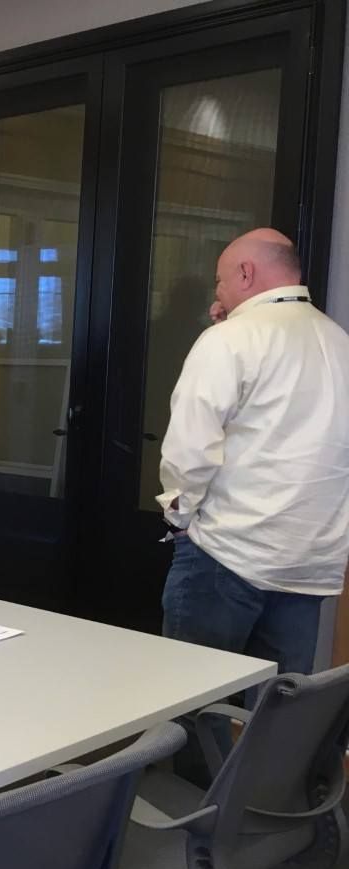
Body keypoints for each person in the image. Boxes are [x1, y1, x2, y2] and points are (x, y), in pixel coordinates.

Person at [159, 227, 349, 677]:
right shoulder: (341, 344)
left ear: (246, 273)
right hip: (308, 566)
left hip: (225, 555)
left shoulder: (229, 340)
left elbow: (190, 450)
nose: (218, 293)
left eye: (220, 280)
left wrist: (177, 516)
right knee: (277, 714)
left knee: (190, 700)